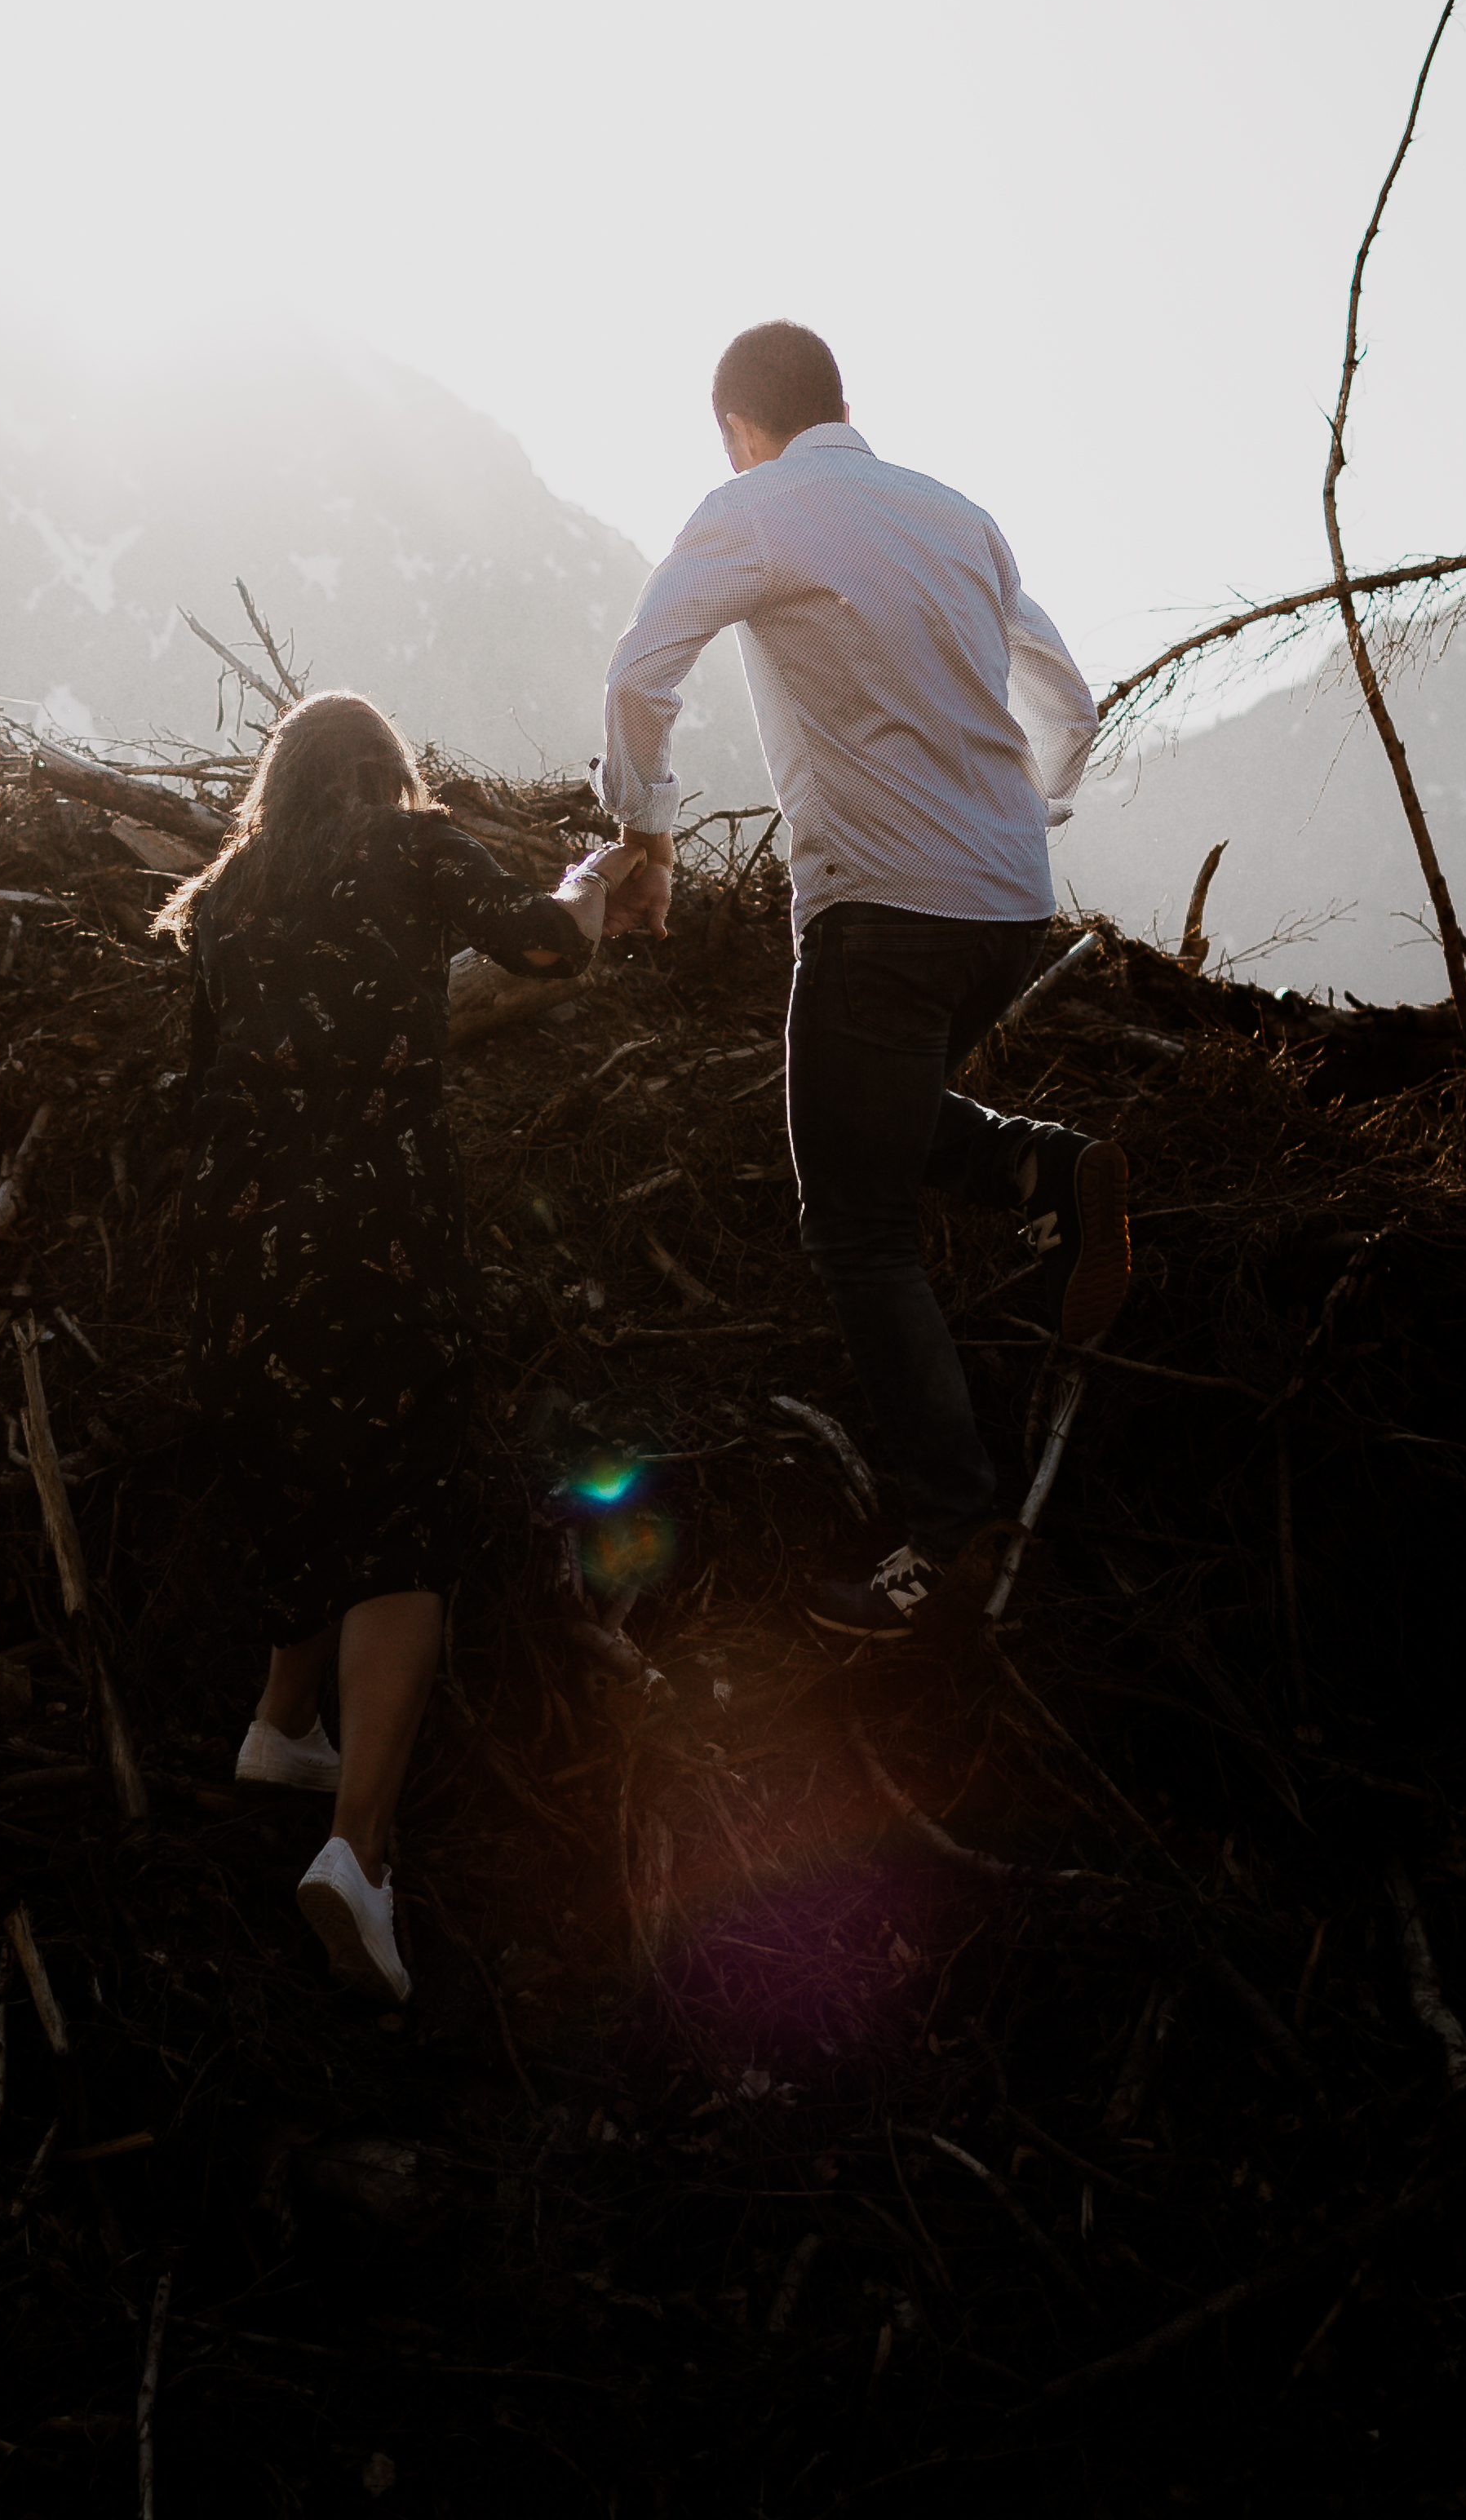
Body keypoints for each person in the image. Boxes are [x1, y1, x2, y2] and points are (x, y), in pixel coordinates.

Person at [592, 319, 1129, 1642]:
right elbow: (1072, 703)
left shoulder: (756, 508)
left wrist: (647, 838)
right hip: (1007, 907)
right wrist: (1018, 818)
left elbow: (638, 675)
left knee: (854, 1225)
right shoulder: (958, 518)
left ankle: (951, 1534)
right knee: (869, 1118)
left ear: (736, 425)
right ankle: (1043, 1171)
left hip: (883, 907)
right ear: (842, 400)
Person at [158, 690, 621, 2000]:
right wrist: (591, 874)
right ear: (385, 775)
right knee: (405, 1520)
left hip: (241, 1251)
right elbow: (548, 951)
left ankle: (283, 1724)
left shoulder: (224, 895)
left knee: (309, 1472)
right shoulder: (413, 845)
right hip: (379, 1234)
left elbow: (198, 1088)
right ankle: (357, 1854)